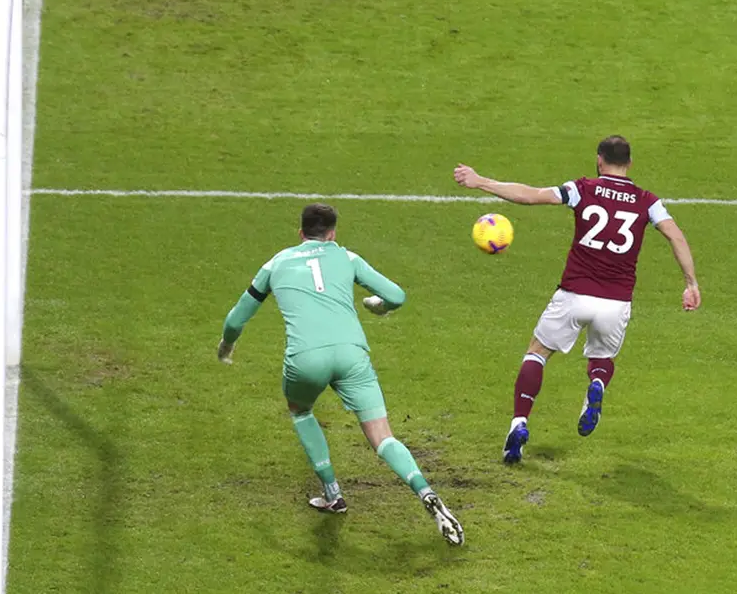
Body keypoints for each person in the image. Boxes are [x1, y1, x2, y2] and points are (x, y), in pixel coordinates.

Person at [217, 203, 463, 545]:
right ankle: (425, 492)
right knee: (383, 437)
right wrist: (378, 306)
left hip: (306, 360)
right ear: (332, 233)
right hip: (351, 355)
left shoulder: (276, 263)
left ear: (300, 233)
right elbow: (397, 296)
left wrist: (226, 347)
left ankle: (333, 494)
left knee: (301, 410)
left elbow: (235, 320)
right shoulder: (347, 258)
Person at [453, 135, 701, 463]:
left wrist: (481, 181)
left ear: (600, 160)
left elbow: (531, 196)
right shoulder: (646, 201)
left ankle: (519, 423)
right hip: (615, 303)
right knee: (601, 360)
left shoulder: (583, 188)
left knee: (537, 353)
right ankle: (596, 386)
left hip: (573, 295)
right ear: (630, 163)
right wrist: (690, 283)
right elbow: (675, 235)